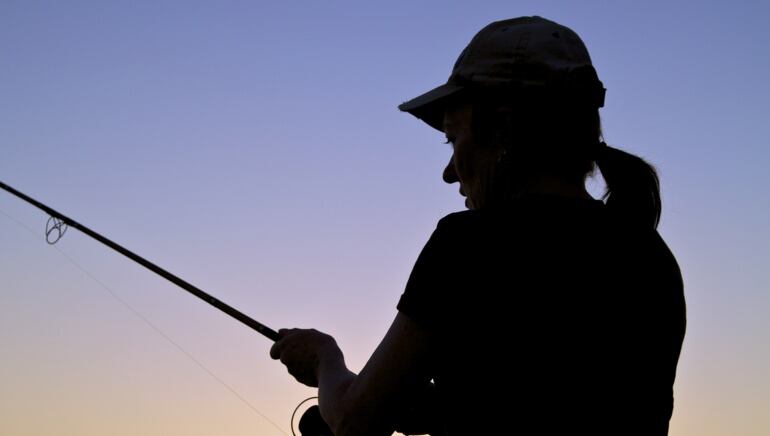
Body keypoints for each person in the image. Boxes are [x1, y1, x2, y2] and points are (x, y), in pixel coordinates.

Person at [270, 16, 686, 436]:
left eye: (453, 139)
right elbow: (549, 399)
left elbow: (354, 421)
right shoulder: (650, 256)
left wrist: (326, 359)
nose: (449, 173)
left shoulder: (469, 243)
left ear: (502, 127)